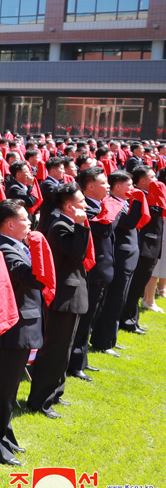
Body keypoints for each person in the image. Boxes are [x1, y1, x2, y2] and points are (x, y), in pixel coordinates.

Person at [0, 200, 44, 466]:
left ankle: (4, 434)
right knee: (3, 388)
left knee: (10, 388)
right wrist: (39, 248)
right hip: (14, 327)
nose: (30, 223)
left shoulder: (16, 246)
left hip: (24, 323)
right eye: (24, 220)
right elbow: (33, 278)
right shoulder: (6, 250)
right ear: (9, 224)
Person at [29, 183, 91, 419]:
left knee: (64, 349)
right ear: (69, 206)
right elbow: (77, 254)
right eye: (81, 202)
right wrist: (81, 224)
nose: (85, 205)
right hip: (64, 295)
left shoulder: (65, 222)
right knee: (54, 350)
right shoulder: (59, 225)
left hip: (72, 292)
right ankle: (40, 401)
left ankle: (55, 392)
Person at [67, 167, 113, 378]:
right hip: (91, 273)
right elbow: (103, 231)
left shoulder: (99, 206)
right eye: (104, 183)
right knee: (83, 321)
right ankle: (74, 364)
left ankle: (81, 360)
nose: (108, 186)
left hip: (103, 271)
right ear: (90, 186)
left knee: (90, 319)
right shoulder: (87, 212)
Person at [90, 171, 143, 353]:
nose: (132, 189)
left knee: (120, 300)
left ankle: (110, 338)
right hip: (120, 257)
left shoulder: (122, 202)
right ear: (117, 187)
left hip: (129, 256)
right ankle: (103, 342)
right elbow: (129, 223)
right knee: (113, 300)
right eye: (129, 185)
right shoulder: (111, 204)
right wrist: (138, 200)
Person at [120, 166, 160, 334]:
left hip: (152, 246)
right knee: (135, 287)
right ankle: (127, 320)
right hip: (144, 246)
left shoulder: (150, 195)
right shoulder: (138, 196)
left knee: (138, 287)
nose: (156, 180)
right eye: (153, 177)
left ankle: (133, 320)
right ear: (143, 181)